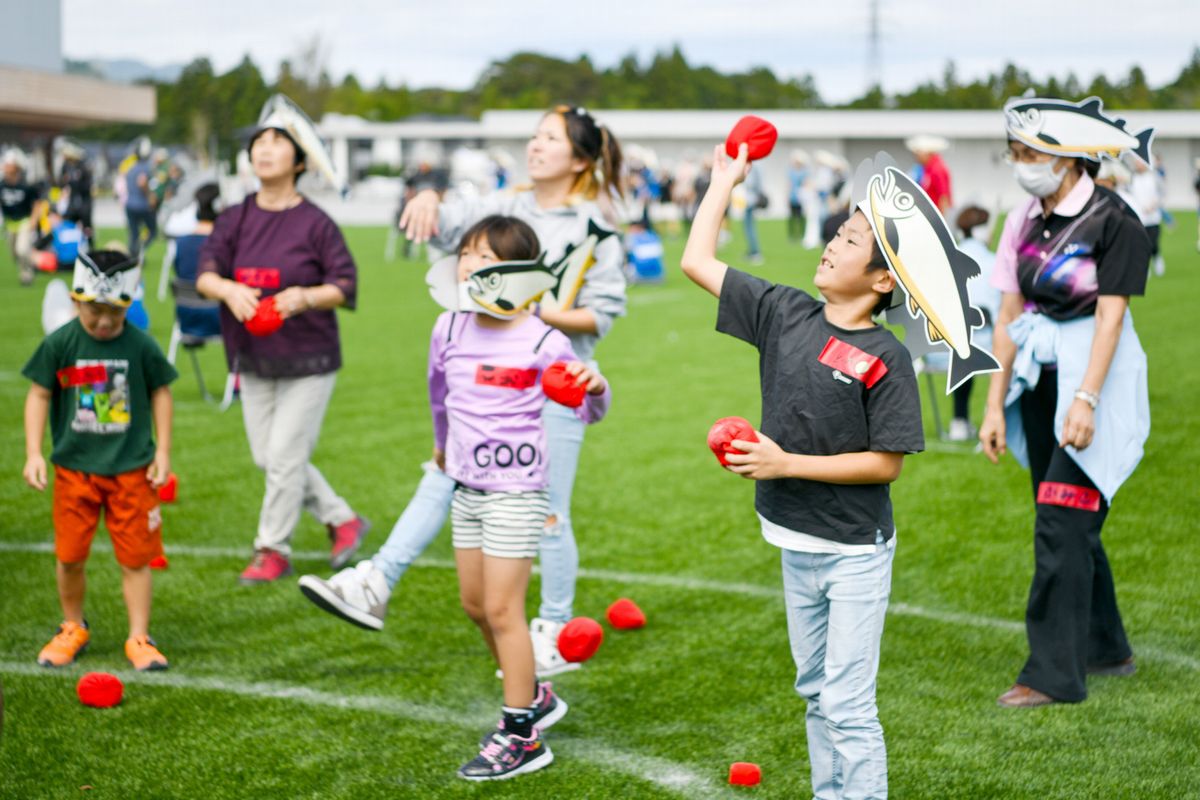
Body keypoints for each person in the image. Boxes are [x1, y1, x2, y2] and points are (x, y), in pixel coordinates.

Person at [298, 105, 625, 678]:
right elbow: (452, 222)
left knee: (549, 512)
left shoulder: (595, 228)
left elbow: (604, 313)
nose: (535, 146)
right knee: (443, 472)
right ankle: (377, 578)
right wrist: (427, 196)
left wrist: (542, 312)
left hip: (551, 383)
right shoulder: (503, 206)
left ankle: (550, 628)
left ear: (579, 158)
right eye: (534, 136)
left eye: (550, 139)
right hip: (484, 378)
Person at [681, 143, 924, 799]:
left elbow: (885, 464)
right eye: (837, 234)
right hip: (794, 538)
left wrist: (785, 462)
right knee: (815, 691)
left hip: (853, 550)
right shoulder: (783, 312)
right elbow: (695, 260)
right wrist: (724, 181)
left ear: (881, 282)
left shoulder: (886, 358)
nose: (830, 245)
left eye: (849, 242)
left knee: (847, 703)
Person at [980, 96, 1151, 708]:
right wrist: (995, 405)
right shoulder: (1023, 215)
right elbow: (1007, 314)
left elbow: (1110, 321)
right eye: (1016, 153)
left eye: (1032, 153)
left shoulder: (1115, 220)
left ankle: (1053, 675)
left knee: (1060, 519)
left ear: (1069, 156)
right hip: (1037, 378)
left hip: (1095, 381)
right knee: (1066, 519)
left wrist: (1086, 400)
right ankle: (1107, 649)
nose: (1021, 164)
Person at [428, 215, 610, 780]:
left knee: (505, 610)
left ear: (520, 273)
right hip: (468, 489)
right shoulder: (448, 328)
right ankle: (535, 696)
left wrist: (597, 387)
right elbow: (439, 394)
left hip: (518, 493)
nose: (470, 266)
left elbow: (587, 409)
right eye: (466, 255)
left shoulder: (543, 338)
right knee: (476, 606)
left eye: (486, 258)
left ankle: (521, 734)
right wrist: (441, 447)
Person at [197, 96, 368, 585]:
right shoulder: (234, 218)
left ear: (299, 161)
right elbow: (207, 273)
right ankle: (342, 518)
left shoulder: (316, 223)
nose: (265, 149)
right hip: (251, 357)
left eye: (278, 142)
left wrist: (304, 298)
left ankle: (272, 547)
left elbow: (344, 285)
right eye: (259, 142)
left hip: (309, 359)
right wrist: (229, 289)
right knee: (267, 457)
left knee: (286, 457)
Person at [22, 249, 177, 671]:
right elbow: (39, 393)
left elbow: (162, 390)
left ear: (129, 304)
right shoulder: (61, 343)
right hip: (74, 472)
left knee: (135, 559)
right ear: (76, 301)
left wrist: (162, 450)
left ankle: (139, 636)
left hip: (132, 473)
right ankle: (72, 625)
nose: (105, 321)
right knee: (70, 556)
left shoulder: (141, 345)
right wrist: (34, 452)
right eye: (94, 311)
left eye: (114, 311)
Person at [943, 206, 1001, 441]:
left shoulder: (947, 259)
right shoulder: (994, 262)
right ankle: (996, 417)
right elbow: (1000, 313)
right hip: (986, 345)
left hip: (943, 350)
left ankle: (959, 420)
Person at [1, 149, 42, 285]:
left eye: (8, 164)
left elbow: (37, 203)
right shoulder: (2, 185)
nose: (5, 167)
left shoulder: (26, 185)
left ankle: (27, 275)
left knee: (22, 249)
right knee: (15, 253)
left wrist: (33, 220)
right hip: (10, 223)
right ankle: (28, 265)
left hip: (24, 221)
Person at [1128, 157, 1164, 277]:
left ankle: (1157, 258)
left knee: (1153, 243)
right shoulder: (1132, 178)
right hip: (1139, 218)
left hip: (1153, 217)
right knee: (1142, 245)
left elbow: (1160, 194)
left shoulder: (1153, 177)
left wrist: (1152, 206)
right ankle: (1145, 267)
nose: (1139, 165)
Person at [124, 137, 157, 258]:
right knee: (152, 231)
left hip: (130, 204)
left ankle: (132, 256)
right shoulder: (146, 167)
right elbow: (142, 182)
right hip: (142, 205)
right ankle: (139, 251)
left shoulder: (131, 167)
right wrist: (150, 195)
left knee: (134, 234)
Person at [57, 141, 94, 248]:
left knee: (87, 227)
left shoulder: (83, 166)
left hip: (84, 202)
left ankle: (89, 247)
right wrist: (65, 181)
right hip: (72, 202)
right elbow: (61, 182)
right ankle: (69, 248)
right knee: (68, 224)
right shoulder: (66, 166)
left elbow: (88, 186)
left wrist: (74, 181)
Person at [905, 135, 953, 214]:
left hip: (936, 216)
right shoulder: (926, 169)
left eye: (919, 153)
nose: (916, 156)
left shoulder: (937, 170)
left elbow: (944, 198)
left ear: (928, 153)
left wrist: (942, 221)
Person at [741, 161, 765, 265]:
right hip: (749, 200)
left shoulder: (755, 166)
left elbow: (753, 184)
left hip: (751, 200)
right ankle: (752, 251)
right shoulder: (755, 165)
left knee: (749, 227)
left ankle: (755, 252)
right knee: (748, 227)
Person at [787, 150, 809, 243]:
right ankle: (792, 235)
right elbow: (789, 185)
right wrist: (787, 196)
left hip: (801, 198)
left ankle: (802, 234)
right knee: (792, 217)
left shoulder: (804, 172)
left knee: (801, 217)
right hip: (793, 197)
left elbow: (806, 184)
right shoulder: (791, 172)